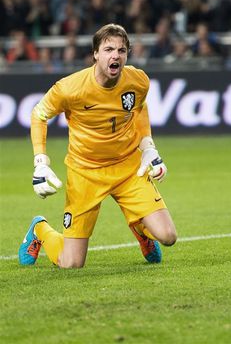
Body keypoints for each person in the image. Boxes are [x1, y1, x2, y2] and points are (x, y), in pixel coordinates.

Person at [18, 23, 177, 268]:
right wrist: (40, 162)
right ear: (95, 54)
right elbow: (39, 114)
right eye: (109, 49)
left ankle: (141, 231)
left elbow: (139, 108)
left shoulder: (138, 80)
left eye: (121, 50)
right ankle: (40, 229)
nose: (116, 55)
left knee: (168, 236)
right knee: (70, 263)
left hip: (127, 168)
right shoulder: (70, 88)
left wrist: (148, 147)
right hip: (86, 173)